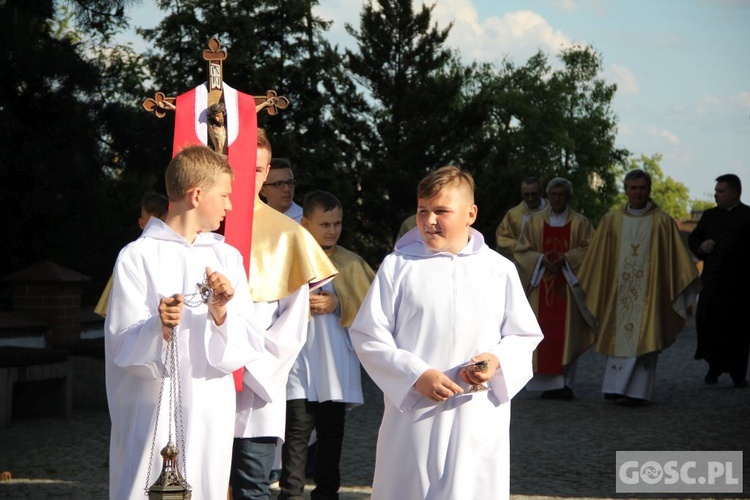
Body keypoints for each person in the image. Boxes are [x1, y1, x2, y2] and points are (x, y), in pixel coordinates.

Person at [350, 166, 543, 500]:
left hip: (477, 414)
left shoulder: (498, 269)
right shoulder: (399, 266)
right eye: (422, 210)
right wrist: (416, 375)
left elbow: (523, 336)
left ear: (471, 213)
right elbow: (368, 335)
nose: (429, 220)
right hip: (414, 412)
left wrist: (496, 360)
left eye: (441, 211)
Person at [104, 145, 266, 499]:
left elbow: (249, 341)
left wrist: (221, 313)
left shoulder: (226, 257)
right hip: (153, 413)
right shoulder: (137, 257)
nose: (230, 206)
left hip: (210, 408)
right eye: (224, 195)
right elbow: (122, 346)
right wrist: (158, 327)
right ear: (196, 195)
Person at [230, 130, 338, 500]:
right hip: (206, 379)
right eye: (245, 167)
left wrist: (250, 369)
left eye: (259, 169)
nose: (252, 176)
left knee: (252, 487)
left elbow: (294, 320)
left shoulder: (288, 234)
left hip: (258, 383)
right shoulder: (207, 228)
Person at [279, 190, 375, 500]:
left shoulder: (350, 263)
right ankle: (290, 494)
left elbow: (375, 312)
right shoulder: (287, 260)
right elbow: (267, 302)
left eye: (337, 224)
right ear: (305, 223)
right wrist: (298, 304)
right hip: (298, 365)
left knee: (332, 437)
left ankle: (327, 493)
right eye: (325, 224)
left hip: (334, 366)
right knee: (295, 436)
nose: (332, 230)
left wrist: (339, 303)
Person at [578, 169, 701, 405]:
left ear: (649, 190)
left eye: (642, 188)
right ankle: (614, 388)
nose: (638, 192)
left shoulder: (662, 221)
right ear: (625, 190)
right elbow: (598, 259)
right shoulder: (611, 220)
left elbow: (677, 261)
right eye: (633, 188)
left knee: (646, 337)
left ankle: (637, 393)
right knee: (617, 337)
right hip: (617, 292)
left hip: (650, 295)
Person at [514, 177, 596, 400]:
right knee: (542, 333)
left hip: (569, 288)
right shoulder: (534, 222)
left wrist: (566, 258)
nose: (557, 198)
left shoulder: (580, 223)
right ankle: (545, 385)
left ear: (568, 197)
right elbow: (521, 251)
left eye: (561, 194)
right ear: (547, 196)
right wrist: (541, 259)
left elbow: (592, 250)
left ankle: (565, 384)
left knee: (567, 335)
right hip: (541, 286)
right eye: (553, 194)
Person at [688, 174, 750, 388]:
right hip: (713, 282)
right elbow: (694, 238)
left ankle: (738, 374)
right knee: (708, 324)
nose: (716, 195)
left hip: (740, 286)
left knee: (739, 331)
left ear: (735, 193)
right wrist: (702, 246)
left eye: (720, 191)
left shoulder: (748, 216)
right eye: (716, 191)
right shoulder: (709, 216)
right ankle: (713, 366)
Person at [94, 192, 169, 318]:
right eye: (155, 224)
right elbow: (109, 312)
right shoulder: (133, 254)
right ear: (142, 224)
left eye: (163, 223)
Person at [495, 177, 547, 262]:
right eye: (526, 194)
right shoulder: (513, 215)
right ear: (521, 194)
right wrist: (522, 247)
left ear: (541, 193)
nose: (530, 199)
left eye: (533, 194)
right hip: (523, 265)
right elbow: (502, 238)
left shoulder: (553, 213)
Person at [260, 157, 302, 222]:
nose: (287, 189)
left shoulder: (306, 221)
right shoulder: (255, 219)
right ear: (263, 191)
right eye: (278, 184)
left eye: (290, 183)